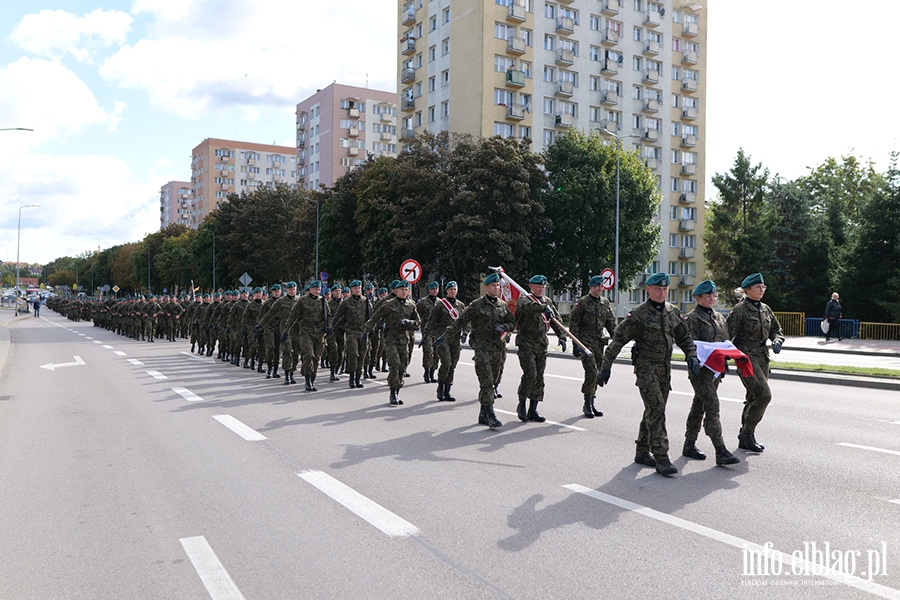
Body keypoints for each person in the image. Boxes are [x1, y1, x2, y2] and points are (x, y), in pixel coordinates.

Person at [599, 272, 700, 476]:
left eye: (665, 289)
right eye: (658, 289)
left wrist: (692, 355)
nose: (662, 292)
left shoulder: (673, 312)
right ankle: (661, 457)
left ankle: (642, 451)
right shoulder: (638, 314)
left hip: (665, 369)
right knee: (657, 409)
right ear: (648, 290)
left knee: (653, 410)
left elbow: (684, 337)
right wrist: (606, 366)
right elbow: (618, 340)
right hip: (646, 368)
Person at [437, 273, 516, 429]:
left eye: (498, 285)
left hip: (498, 348)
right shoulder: (476, 305)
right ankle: (491, 416)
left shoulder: (502, 305)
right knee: (486, 382)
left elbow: (512, 322)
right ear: (486, 287)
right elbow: (460, 322)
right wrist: (445, 336)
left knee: (493, 381)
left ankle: (482, 414)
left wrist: (505, 327)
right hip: (482, 347)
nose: (497, 288)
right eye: (493, 285)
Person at [682, 280, 740, 466]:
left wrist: (725, 358)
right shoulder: (692, 319)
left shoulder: (719, 317)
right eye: (708, 296)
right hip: (700, 370)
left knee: (699, 405)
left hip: (715, 371)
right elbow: (690, 344)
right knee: (712, 405)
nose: (712, 299)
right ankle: (720, 449)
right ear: (698, 297)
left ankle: (689, 444)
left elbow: (725, 341)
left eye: (714, 296)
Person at [726, 273, 785, 453]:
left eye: (763, 287)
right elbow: (727, 335)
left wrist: (777, 340)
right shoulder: (740, 310)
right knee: (764, 395)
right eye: (758, 287)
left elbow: (777, 329)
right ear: (747, 290)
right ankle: (747, 433)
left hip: (762, 356)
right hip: (746, 357)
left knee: (753, 397)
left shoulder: (766, 309)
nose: (761, 290)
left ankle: (745, 437)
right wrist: (725, 357)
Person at [514, 275, 566, 423]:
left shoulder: (547, 301)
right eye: (538, 286)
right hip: (526, 342)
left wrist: (561, 336)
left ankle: (533, 409)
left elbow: (556, 320)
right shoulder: (525, 299)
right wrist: (543, 308)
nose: (541, 289)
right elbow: (528, 308)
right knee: (530, 374)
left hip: (541, 343)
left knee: (539, 377)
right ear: (531, 286)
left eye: (543, 287)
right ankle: (522, 403)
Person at [568, 274, 617, 418]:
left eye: (601, 286)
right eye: (597, 286)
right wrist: (576, 343)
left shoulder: (605, 303)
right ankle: (587, 404)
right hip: (585, 342)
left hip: (599, 343)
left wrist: (617, 339)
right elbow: (574, 323)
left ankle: (592, 401)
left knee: (598, 373)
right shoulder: (582, 302)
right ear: (591, 287)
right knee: (592, 371)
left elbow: (611, 323)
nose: (599, 289)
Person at [364, 280, 420, 405]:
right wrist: (367, 331)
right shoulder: (388, 304)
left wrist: (409, 323)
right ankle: (393, 391)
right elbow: (375, 317)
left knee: (402, 366)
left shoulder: (411, 305)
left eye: (406, 290)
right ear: (396, 290)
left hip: (404, 340)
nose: (404, 292)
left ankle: (398, 389)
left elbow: (417, 322)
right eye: (402, 289)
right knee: (395, 364)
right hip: (391, 339)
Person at [423, 281, 466, 401]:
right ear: (446, 291)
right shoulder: (441, 305)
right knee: (446, 363)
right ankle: (440, 386)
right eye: (451, 289)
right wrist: (425, 336)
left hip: (455, 339)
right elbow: (431, 321)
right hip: (442, 337)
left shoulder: (460, 305)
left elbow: (465, 320)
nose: (453, 291)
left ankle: (448, 390)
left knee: (452, 365)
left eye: (455, 289)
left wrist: (465, 333)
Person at [333, 280, 371, 389]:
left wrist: (370, 328)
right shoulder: (346, 302)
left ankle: (358, 378)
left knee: (362, 355)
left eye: (359, 288)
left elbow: (370, 316)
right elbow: (338, 315)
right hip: (351, 331)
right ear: (351, 289)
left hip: (363, 331)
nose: (357, 290)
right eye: (355, 288)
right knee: (353, 354)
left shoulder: (365, 301)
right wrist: (331, 327)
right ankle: (351, 377)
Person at [416, 281, 441, 382]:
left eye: (436, 288)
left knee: (437, 352)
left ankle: (432, 371)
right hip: (427, 330)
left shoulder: (440, 302)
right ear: (429, 290)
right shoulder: (423, 302)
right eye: (433, 288)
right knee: (428, 351)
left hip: (438, 330)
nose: (435, 290)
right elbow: (416, 313)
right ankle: (426, 371)